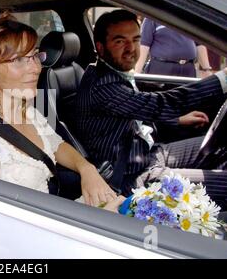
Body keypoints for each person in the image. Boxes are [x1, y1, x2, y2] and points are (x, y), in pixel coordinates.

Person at [0, 14, 124, 211]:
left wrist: (86, 169)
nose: (35, 68)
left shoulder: (27, 112)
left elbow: (56, 145)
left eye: (35, 56)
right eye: (19, 59)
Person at [75, 10, 227, 208]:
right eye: (120, 41)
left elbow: (137, 109)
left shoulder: (114, 73)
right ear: (100, 48)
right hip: (134, 175)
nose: (131, 48)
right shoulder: (103, 86)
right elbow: (160, 103)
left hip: (149, 153)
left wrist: (177, 120)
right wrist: (222, 80)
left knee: (221, 144)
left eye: (136, 39)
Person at [134, 18, 213, 77]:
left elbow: (199, 44)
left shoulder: (190, 17)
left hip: (188, 69)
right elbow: (143, 47)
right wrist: (136, 74)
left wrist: (206, 69)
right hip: (161, 69)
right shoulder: (152, 17)